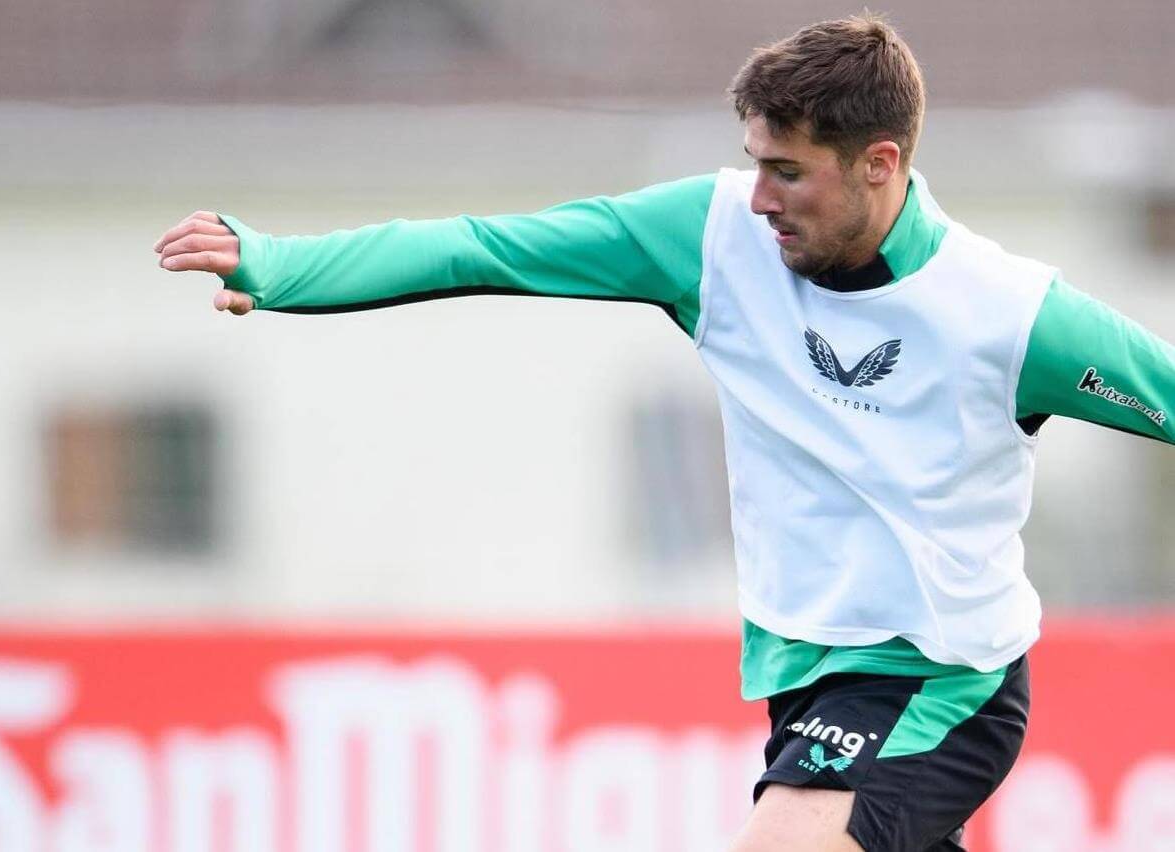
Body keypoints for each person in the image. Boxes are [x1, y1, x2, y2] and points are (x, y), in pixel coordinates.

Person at [154, 14, 1175, 852]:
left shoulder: (1011, 313)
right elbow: (485, 248)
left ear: (880, 162)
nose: (761, 197)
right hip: (802, 671)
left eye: (789, 172)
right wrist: (283, 267)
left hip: (940, 677)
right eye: (752, 164)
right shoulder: (711, 234)